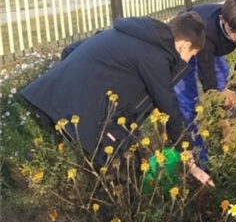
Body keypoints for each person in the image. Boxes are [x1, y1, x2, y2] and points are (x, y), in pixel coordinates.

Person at [20, 12, 213, 186]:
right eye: (191, 55)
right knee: (126, 172)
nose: (188, 61)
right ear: (185, 45)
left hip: (54, 95)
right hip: (86, 112)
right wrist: (190, 162)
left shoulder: (130, 34)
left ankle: (94, 203)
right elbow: (169, 107)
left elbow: (71, 50)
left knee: (111, 165)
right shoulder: (156, 56)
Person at [174, 0, 236, 168]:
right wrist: (218, 100)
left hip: (211, 49)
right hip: (188, 41)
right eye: (233, 32)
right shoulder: (208, 31)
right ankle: (200, 160)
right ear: (222, 20)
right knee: (187, 97)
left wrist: (231, 87)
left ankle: (232, 141)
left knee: (227, 91)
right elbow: (209, 82)